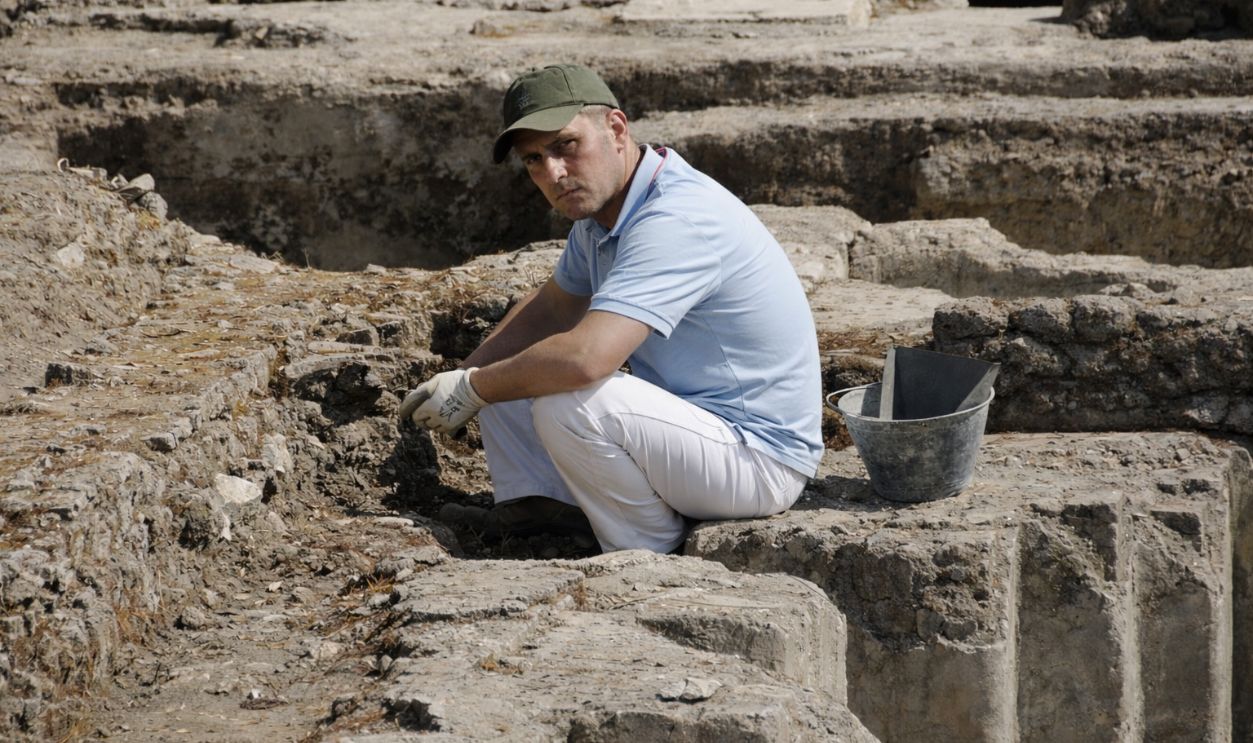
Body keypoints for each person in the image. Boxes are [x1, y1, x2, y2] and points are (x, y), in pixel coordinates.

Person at [400, 63, 822, 554]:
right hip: (698, 432)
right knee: (513, 358)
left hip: (759, 459)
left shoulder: (676, 219)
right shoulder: (605, 212)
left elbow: (588, 361)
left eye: (565, 146)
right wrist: (466, 375)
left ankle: (646, 551)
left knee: (571, 400)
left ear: (616, 130)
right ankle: (545, 509)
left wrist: (472, 390)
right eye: (534, 159)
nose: (553, 173)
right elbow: (553, 309)